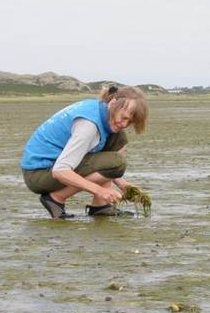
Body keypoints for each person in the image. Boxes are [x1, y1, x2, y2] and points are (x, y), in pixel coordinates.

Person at [21, 86, 149, 218]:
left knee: (118, 138)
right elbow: (60, 171)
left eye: (129, 122)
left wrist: (125, 186)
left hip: (54, 165)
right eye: (123, 117)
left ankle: (100, 206)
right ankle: (56, 198)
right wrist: (99, 190)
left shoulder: (101, 110)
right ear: (113, 103)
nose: (124, 124)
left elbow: (109, 167)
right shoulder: (88, 126)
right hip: (38, 173)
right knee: (117, 162)